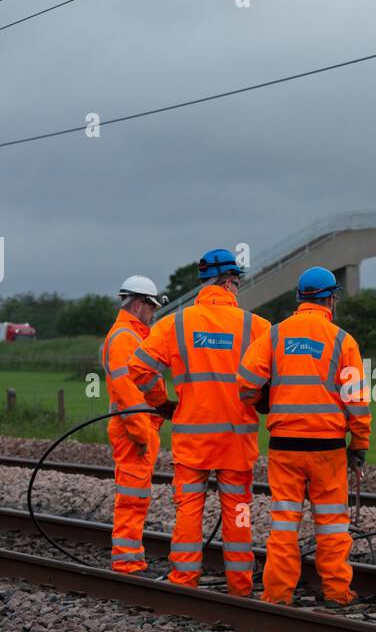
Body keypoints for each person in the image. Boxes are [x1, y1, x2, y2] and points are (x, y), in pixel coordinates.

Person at [114, 249, 269, 594]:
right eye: (237, 283)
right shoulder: (255, 326)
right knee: (239, 510)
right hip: (236, 441)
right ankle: (241, 585)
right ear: (229, 282)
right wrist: (259, 401)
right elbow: (273, 376)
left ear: (203, 283)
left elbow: (138, 369)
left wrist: (162, 402)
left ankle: (184, 581)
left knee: (188, 511)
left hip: (191, 440)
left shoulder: (175, 323)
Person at [236, 266, 371, 606]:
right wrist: (359, 442)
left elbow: (245, 384)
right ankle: (338, 593)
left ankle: (277, 595)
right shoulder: (344, 341)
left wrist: (263, 401)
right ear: (330, 299)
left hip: (285, 447)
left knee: (284, 522)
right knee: (332, 524)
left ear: (299, 299)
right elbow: (356, 399)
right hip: (327, 448)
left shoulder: (274, 335)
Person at [101, 275, 169, 572]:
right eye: (151, 307)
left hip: (139, 427)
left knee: (136, 497)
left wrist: (164, 404)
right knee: (132, 497)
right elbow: (127, 391)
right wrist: (142, 433)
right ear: (139, 304)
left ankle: (132, 558)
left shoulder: (133, 336)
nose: (153, 314)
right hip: (133, 430)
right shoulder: (124, 338)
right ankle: (127, 564)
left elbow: (148, 380)